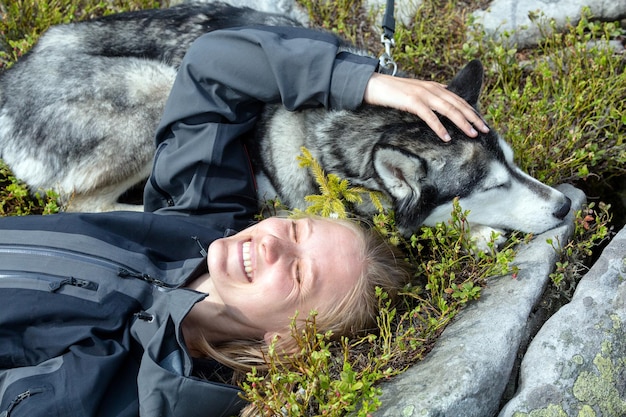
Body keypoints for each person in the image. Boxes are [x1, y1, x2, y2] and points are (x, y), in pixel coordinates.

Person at [0, 24, 488, 417]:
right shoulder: (201, 219)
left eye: (300, 275)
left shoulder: (135, 392)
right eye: (297, 229)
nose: (276, 244)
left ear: (288, 342)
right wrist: (363, 81)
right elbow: (212, 66)